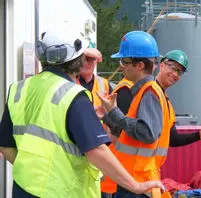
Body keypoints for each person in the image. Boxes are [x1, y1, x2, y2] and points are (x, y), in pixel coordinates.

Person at [0, 29, 164, 198]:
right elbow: (96, 151)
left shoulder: (19, 89)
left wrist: (32, 172)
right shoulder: (73, 95)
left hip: (23, 188)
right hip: (62, 192)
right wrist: (135, 186)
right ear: (77, 59)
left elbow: (5, 146)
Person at [96, 31, 201, 198]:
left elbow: (147, 134)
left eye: (125, 61)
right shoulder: (138, 92)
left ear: (140, 65)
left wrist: (112, 114)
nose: (121, 66)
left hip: (135, 179)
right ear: (161, 64)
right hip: (131, 178)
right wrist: (108, 115)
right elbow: (128, 132)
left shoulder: (151, 93)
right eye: (173, 67)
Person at [77, 41, 113, 106]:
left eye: (90, 59)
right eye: (81, 58)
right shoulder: (69, 82)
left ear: (97, 61)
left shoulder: (105, 84)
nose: (85, 62)